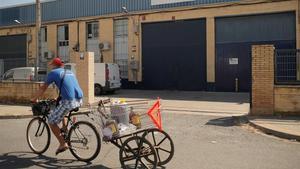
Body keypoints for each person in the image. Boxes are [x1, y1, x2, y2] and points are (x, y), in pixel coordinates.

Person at [31, 57, 83, 155]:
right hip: (79, 99)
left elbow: (43, 88)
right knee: (59, 106)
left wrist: (34, 99)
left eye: (52, 65)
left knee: (51, 120)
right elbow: (68, 86)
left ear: (54, 65)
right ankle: (64, 128)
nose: (51, 67)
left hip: (69, 101)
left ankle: (63, 143)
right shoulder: (69, 72)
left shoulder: (54, 73)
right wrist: (58, 99)